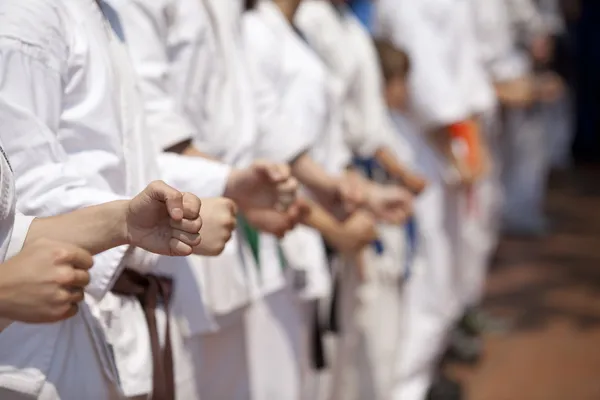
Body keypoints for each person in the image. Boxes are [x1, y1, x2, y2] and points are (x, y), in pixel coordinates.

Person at [0, 1, 296, 399]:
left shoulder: (103, 15)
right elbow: (23, 190)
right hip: (48, 328)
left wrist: (224, 183)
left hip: (113, 315)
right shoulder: (27, 13)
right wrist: (139, 224)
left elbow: (134, 165)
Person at [374, 0, 497, 399]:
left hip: (440, 146)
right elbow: (428, 88)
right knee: (424, 281)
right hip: (418, 146)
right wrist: (458, 149)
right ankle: (406, 388)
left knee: (441, 273)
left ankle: (422, 377)